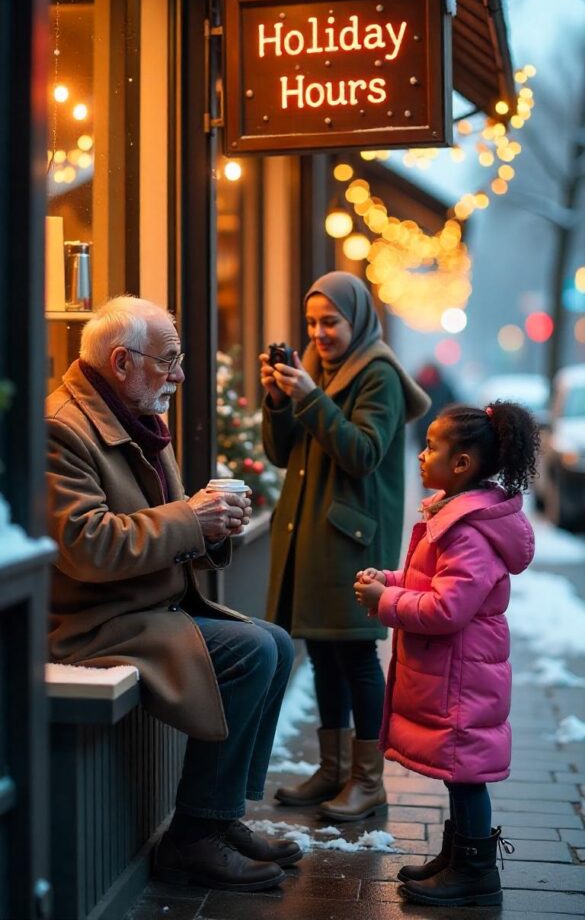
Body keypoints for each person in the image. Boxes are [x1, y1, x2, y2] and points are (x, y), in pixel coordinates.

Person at [45, 296, 300, 893]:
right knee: (252, 652)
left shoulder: (132, 413)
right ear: (121, 360)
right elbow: (87, 545)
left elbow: (165, 523)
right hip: (95, 621)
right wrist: (192, 519)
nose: (180, 376)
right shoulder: (62, 429)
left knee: (279, 645)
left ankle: (220, 814)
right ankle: (193, 838)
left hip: (143, 608)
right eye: (170, 361)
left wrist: (212, 526)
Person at [260, 271, 430, 822]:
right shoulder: (320, 369)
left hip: (352, 538)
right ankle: (332, 770)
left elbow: (363, 452)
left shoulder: (376, 373)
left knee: (356, 652)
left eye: (329, 321)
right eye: (311, 322)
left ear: (356, 319)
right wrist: (278, 400)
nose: (319, 332)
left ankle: (368, 779)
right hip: (312, 532)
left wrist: (309, 398)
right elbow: (282, 454)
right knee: (323, 651)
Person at [354, 400, 539, 907]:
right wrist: (388, 581)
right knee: (460, 776)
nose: (422, 454)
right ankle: (457, 857)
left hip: (462, 678)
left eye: (432, 446)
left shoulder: (469, 531)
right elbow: (431, 583)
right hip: (457, 671)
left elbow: (446, 608)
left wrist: (386, 602)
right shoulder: (455, 518)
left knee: (466, 777)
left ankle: (475, 873)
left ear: (461, 465)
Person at [413, 362, 457, 451]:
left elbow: (453, 406)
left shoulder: (445, 389)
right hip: (422, 433)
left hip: (439, 431)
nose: (426, 376)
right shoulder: (419, 386)